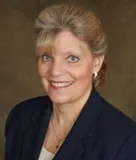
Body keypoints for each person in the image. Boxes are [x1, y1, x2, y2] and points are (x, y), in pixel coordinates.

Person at [5, 3, 136, 160]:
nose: (55, 71)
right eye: (47, 57)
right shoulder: (20, 117)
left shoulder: (124, 140)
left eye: (72, 58)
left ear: (97, 62)